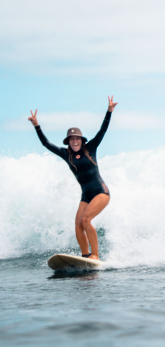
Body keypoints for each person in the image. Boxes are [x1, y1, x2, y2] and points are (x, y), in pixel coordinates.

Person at [28, 96, 118, 260]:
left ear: (81, 140)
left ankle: (95, 255)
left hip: (101, 192)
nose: (74, 141)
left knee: (86, 219)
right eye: (71, 139)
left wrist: (109, 111)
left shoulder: (90, 147)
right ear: (68, 141)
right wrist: (37, 126)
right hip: (86, 195)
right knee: (77, 225)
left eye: (77, 138)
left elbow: (102, 130)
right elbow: (46, 144)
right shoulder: (66, 154)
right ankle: (85, 255)